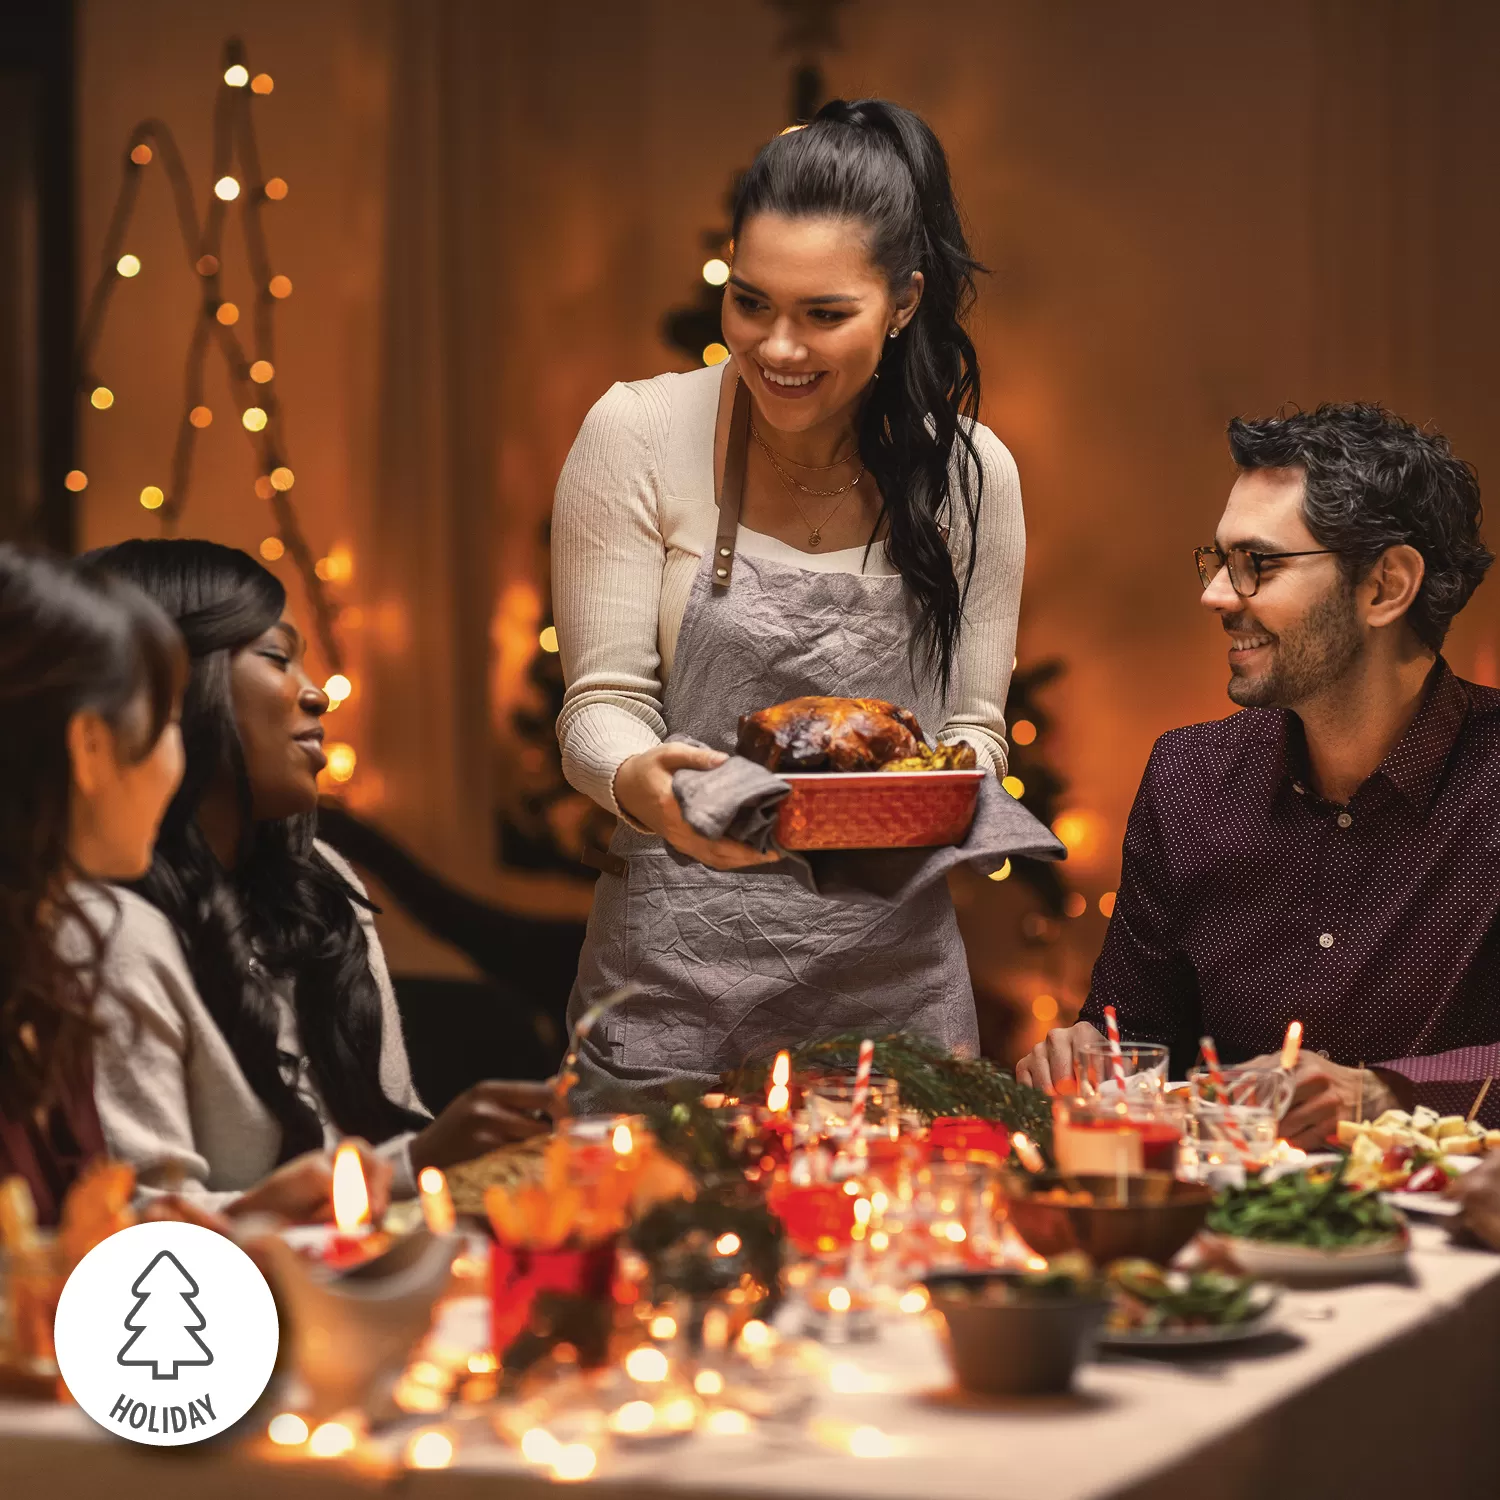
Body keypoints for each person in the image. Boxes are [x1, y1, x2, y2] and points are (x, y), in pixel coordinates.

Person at [552, 99, 1026, 1100]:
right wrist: (640, 781)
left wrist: (923, 796)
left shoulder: (973, 475)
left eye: (823, 314)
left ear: (902, 302)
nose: (777, 347)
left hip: (896, 1013)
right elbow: (599, 704)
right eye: (752, 301)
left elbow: (975, 730)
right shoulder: (637, 433)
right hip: (671, 997)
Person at [1017, 404, 1497, 1146]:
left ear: (1385, 587)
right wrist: (1089, 1055)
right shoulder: (1189, 779)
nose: (1214, 595)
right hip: (1226, 1235)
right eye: (1220, 561)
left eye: (1259, 564)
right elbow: (1135, 1040)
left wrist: (1382, 1095)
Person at [82, 539, 553, 1210]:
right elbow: (141, 1230)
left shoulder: (320, 882)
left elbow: (371, 1148)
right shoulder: (112, 932)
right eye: (276, 657)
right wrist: (402, 1170)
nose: (315, 693)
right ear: (171, 689)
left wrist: (426, 1157)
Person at [0, 546, 391, 1226]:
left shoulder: (40, 962)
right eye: (170, 721)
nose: (179, 757)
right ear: (90, 747)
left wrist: (253, 1215)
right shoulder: (95, 937)